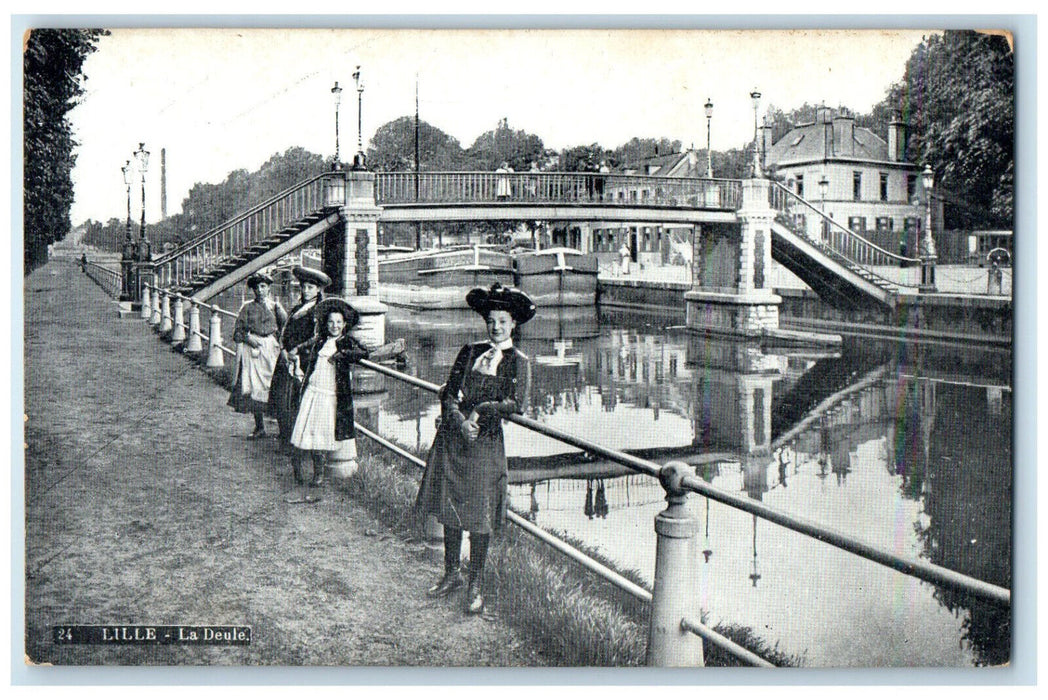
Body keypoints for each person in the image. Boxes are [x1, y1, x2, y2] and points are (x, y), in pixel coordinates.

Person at [415, 282, 535, 615]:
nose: (495, 327)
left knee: (480, 516)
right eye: (491, 320)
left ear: (513, 324)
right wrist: (458, 419)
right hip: (455, 440)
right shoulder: (470, 351)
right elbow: (449, 392)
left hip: (486, 445)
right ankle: (451, 573)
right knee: (451, 509)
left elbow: (517, 404)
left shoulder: (517, 361)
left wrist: (480, 412)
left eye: (502, 321)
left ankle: (475, 584)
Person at [289, 298, 370, 487]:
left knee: (321, 433)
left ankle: (319, 474)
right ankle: (298, 467)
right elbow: (307, 358)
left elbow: (364, 352)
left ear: (344, 324)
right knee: (304, 429)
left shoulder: (346, 342)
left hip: (330, 394)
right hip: (313, 391)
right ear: (326, 323)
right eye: (331, 322)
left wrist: (343, 355)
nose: (335, 326)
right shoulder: (320, 341)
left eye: (339, 322)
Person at [269, 266, 331, 447]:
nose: (306, 290)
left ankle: (297, 442)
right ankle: (284, 437)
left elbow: (317, 337)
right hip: (286, 358)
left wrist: (298, 349)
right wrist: (282, 349)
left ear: (318, 289)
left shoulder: (319, 311)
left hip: (303, 361)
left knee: (297, 401)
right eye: (304, 287)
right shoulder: (297, 308)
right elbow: (285, 331)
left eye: (310, 287)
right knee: (281, 399)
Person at [227, 272, 287, 437]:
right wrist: (248, 338)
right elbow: (237, 332)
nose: (260, 290)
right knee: (255, 388)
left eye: (263, 287)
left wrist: (281, 345)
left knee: (275, 385)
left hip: (271, 350)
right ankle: (259, 427)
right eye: (257, 287)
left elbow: (286, 329)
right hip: (253, 351)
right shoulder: (247, 308)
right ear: (253, 290)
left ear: (268, 288)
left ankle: (283, 430)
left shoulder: (276, 307)